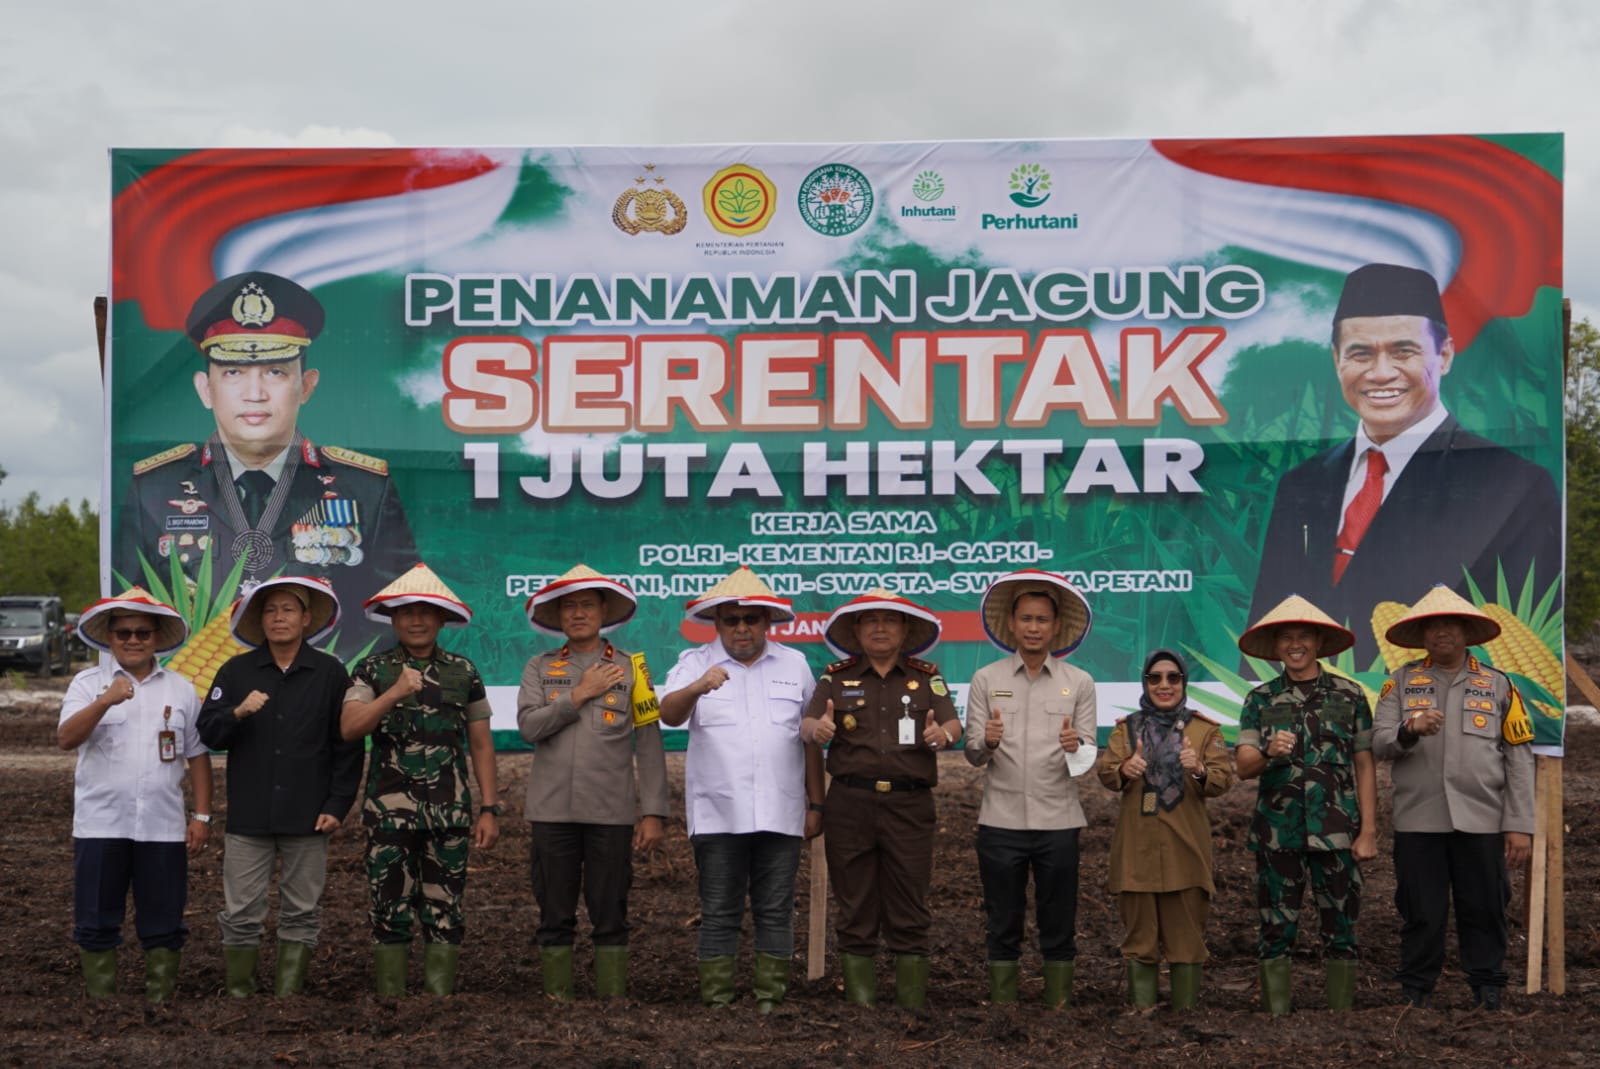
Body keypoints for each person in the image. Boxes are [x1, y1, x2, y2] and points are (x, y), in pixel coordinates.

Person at [1250, 262, 1560, 665]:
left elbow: (1522, 640)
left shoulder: (1512, 484)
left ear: (1444, 354)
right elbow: (1266, 628)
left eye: (1403, 351)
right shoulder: (1303, 482)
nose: (1381, 374)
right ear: (1336, 359)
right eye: (1360, 354)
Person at [116, 270, 417, 658]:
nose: (254, 393)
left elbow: (398, 611)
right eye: (233, 373)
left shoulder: (365, 488)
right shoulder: (155, 487)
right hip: (195, 704)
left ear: (306, 386)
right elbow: (128, 610)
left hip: (325, 704)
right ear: (205, 389)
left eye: (275, 372)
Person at [658, 566, 826, 1011]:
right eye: (731, 620)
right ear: (717, 622)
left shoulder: (795, 665)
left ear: (767, 622)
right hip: (718, 813)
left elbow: (808, 739)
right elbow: (669, 715)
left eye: (751, 619)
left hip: (781, 810)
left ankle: (771, 998)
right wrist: (697, 687)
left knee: (775, 909)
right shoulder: (694, 664)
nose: (742, 628)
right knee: (719, 911)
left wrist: (816, 803)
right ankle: (718, 1001)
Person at [1371, 584, 1535, 1010]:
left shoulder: (1499, 685)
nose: (1441, 631)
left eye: (1450, 624)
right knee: (1420, 910)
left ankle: (1488, 987)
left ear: (1466, 631)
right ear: (1422, 634)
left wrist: (1519, 824)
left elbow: (1518, 759)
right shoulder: (1400, 683)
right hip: (1418, 819)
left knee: (1485, 906)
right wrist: (1411, 729)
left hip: (1482, 818)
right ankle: (1415, 990)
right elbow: (1380, 744)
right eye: (1432, 625)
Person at [197, 575, 362, 997]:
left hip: (310, 814)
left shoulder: (328, 672)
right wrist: (237, 712)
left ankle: (287, 997)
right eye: (269, 610)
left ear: (306, 618)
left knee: (302, 911)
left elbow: (346, 743)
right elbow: (209, 732)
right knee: (241, 911)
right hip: (249, 815)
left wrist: (338, 803)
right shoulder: (236, 672)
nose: (278, 618)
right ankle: (240, 994)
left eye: (288, 609)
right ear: (259, 620)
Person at [341, 563, 500, 997]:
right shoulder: (372, 670)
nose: (416, 620)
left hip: (449, 814)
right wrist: (393, 693)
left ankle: (438, 1001)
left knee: (445, 909)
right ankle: (391, 1000)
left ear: (442, 619)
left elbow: (481, 744)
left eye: (427, 612)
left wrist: (489, 807)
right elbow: (351, 727)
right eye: (407, 612)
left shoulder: (462, 672)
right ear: (393, 619)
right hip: (389, 816)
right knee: (388, 909)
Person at [799, 588, 963, 1009]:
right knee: (854, 904)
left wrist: (941, 735)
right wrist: (817, 730)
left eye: (889, 620)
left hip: (910, 806)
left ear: (905, 629)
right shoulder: (835, 677)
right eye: (870, 620)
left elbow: (952, 726)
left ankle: (911, 1008)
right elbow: (807, 725)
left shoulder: (928, 677)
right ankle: (862, 1009)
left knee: (909, 902)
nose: (880, 627)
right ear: (857, 629)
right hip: (850, 804)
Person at [516, 564, 670, 1001]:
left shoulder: (631, 668)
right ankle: (558, 999)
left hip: (611, 814)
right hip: (551, 812)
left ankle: (611, 1001)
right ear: (559, 617)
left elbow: (649, 742)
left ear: (605, 611)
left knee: (611, 912)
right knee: (554, 913)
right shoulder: (539, 667)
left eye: (587, 605)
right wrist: (578, 694)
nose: (578, 613)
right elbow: (529, 727)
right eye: (569, 607)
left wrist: (654, 812)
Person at [57, 587, 212, 1001]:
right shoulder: (87, 683)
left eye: (142, 632)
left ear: (157, 637)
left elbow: (197, 756)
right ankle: (102, 1001)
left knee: (164, 919)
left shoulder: (180, 689)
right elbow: (66, 738)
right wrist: (105, 701)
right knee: (95, 916)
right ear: (109, 637)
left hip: (162, 825)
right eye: (123, 632)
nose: (132, 640)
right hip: (100, 824)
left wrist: (201, 815)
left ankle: (159, 1001)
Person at [1235, 595, 1378, 1015]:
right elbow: (1243, 767)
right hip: (1277, 834)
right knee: (1275, 928)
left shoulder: (1349, 695)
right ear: (1277, 647)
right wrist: (1268, 752)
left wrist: (1368, 830)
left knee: (1342, 927)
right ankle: (1278, 1015)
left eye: (1303, 637)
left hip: (1337, 832)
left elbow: (1365, 765)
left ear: (1317, 642)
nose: (1295, 645)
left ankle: (1340, 1017)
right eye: (1286, 638)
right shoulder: (1260, 700)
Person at [963, 570, 1097, 1008]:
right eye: (1026, 619)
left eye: (1042, 619)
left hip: (1059, 820)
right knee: (1003, 918)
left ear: (1056, 626)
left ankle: (1058, 1006)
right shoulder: (985, 679)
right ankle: (1004, 1008)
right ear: (1012, 624)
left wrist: (1075, 747)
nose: (1034, 627)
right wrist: (988, 741)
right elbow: (972, 753)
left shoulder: (1079, 682)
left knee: (1059, 918)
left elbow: (1087, 759)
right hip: (1000, 821)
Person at [1097, 649, 1234, 1011]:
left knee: (1187, 939)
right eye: (1154, 677)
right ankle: (1142, 1010)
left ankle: (1184, 1015)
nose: (1164, 685)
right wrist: (1124, 769)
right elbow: (1106, 773)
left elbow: (1222, 781)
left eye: (1173, 677)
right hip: (1137, 850)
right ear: (1144, 683)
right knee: (1139, 939)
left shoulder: (1204, 731)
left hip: (1184, 848)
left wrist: (1199, 767)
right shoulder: (1126, 729)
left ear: (1184, 683)